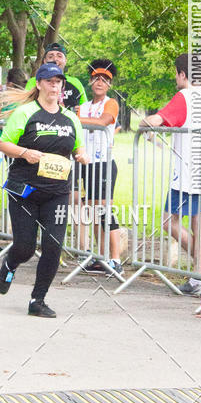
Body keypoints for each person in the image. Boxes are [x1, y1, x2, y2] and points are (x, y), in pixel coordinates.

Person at [0, 62, 88, 317]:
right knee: (25, 246)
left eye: (59, 81)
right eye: (50, 81)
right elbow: (3, 144)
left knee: (53, 245)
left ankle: (38, 300)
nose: (55, 85)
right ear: (39, 84)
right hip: (25, 189)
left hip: (57, 192)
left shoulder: (70, 118)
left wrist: (82, 155)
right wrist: (26, 152)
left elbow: (78, 146)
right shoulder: (26, 113)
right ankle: (10, 263)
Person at [139, 53, 201, 297]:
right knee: (199, 223)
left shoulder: (184, 96)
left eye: (176, 73)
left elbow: (156, 120)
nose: (175, 77)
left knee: (168, 221)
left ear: (183, 74)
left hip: (186, 172)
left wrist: (143, 122)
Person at [76, 59, 122, 275]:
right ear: (90, 81)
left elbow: (104, 122)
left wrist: (77, 118)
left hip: (104, 163)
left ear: (109, 84)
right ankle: (100, 256)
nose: (99, 82)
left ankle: (116, 259)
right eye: (96, 78)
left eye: (104, 79)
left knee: (104, 211)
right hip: (88, 163)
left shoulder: (110, 103)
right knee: (94, 212)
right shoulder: (84, 106)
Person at [25, 42, 87, 110]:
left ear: (65, 60)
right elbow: (25, 105)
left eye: (59, 56)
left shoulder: (76, 83)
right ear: (45, 61)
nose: (55, 59)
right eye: (50, 56)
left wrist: (80, 111)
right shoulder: (34, 81)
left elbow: (85, 108)